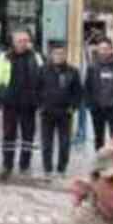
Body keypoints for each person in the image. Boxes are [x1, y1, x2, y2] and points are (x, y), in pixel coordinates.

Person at [0, 29, 41, 179]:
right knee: (9, 134)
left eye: (26, 40)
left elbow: (41, 76)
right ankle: (7, 165)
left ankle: (24, 165)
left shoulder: (36, 57)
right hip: (11, 101)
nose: (23, 43)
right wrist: (3, 94)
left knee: (28, 135)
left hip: (29, 102)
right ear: (13, 42)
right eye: (20, 41)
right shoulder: (4, 57)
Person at [37, 42, 83, 179]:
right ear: (51, 55)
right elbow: (35, 89)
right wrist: (40, 106)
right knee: (47, 143)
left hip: (65, 112)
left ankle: (61, 169)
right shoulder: (43, 70)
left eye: (62, 53)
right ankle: (47, 169)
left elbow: (78, 92)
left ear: (65, 55)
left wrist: (73, 107)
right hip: (47, 112)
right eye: (56, 53)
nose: (59, 56)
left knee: (64, 143)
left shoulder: (73, 71)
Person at [84, 36, 113, 150]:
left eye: (106, 49)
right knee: (98, 138)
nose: (103, 51)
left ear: (111, 50)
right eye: (101, 49)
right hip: (97, 108)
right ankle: (100, 160)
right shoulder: (92, 67)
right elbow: (87, 87)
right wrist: (90, 104)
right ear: (98, 50)